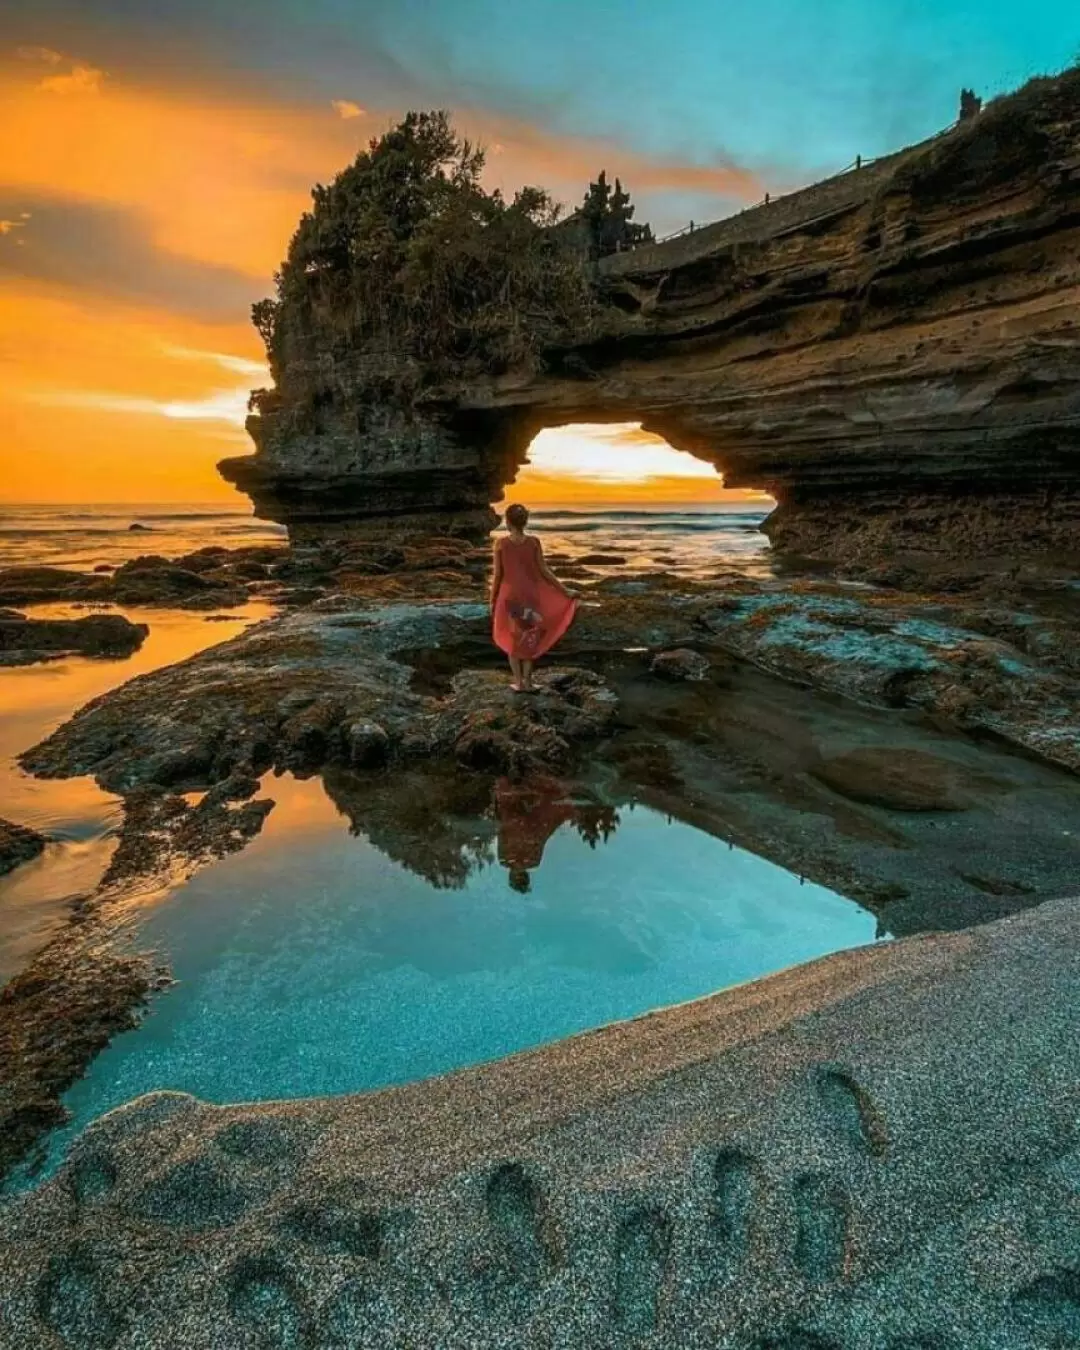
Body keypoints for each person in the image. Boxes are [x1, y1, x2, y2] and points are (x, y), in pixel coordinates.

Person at [490, 503, 576, 692]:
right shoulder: (534, 542)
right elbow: (544, 571)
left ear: (507, 521)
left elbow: (498, 575)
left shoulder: (501, 543)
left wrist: (492, 598)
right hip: (530, 595)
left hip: (510, 595)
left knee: (513, 639)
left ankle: (518, 683)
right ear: (526, 521)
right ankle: (528, 683)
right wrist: (565, 590)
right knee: (530, 637)